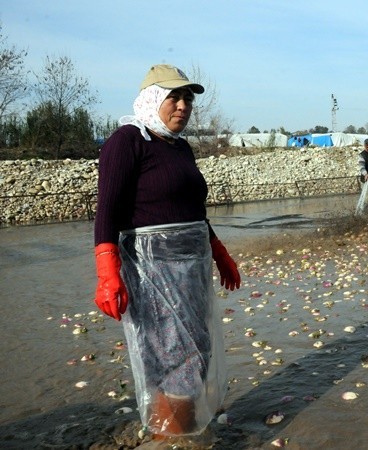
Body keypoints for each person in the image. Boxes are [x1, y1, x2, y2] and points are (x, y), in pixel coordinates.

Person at [93, 64, 241, 440]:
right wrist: (107, 271)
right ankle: (171, 439)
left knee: (197, 348)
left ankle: (182, 430)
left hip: (191, 270)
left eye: (187, 98)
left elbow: (192, 210)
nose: (182, 106)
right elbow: (108, 210)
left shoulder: (180, 148)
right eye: (173, 97)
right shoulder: (127, 141)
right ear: (151, 99)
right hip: (152, 271)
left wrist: (218, 251)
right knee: (173, 355)